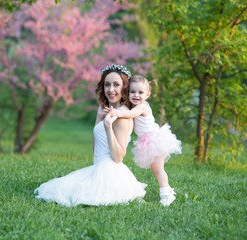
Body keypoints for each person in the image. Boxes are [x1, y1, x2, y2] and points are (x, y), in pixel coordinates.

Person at [34, 64, 147, 207]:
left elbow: (118, 157)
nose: (110, 89)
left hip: (110, 172)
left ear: (125, 87)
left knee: (72, 193)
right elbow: (96, 149)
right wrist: (99, 118)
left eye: (116, 85)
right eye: (107, 84)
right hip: (98, 166)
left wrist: (108, 127)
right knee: (61, 186)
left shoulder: (122, 117)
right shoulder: (110, 111)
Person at [104, 75, 182, 206]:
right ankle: (167, 190)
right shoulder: (134, 106)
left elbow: (131, 114)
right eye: (132, 92)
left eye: (140, 92)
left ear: (147, 95)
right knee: (155, 168)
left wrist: (116, 113)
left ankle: (166, 194)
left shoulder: (142, 107)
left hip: (155, 139)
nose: (136, 95)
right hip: (147, 141)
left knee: (158, 168)